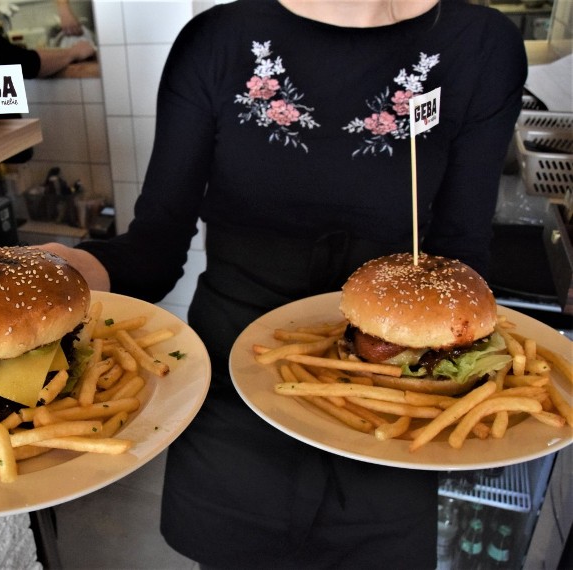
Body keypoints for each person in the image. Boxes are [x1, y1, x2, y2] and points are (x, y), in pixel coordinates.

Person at [40, 0, 527, 567]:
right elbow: (154, 248)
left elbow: (463, 253)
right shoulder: (217, 40)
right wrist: (64, 273)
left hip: (397, 406)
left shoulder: (481, 44)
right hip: (232, 388)